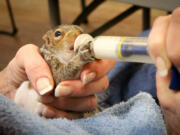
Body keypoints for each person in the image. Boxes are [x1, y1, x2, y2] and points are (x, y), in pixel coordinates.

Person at [0, 7, 180, 135]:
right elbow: (61, 75)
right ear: (47, 41)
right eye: (59, 35)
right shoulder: (48, 57)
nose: (74, 37)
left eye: (78, 32)